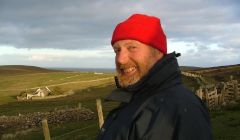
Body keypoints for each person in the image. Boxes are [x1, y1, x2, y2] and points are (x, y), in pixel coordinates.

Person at [97, 13, 213, 140]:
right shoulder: (139, 98)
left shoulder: (179, 109)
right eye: (117, 50)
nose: (120, 59)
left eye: (132, 47)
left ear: (157, 51)